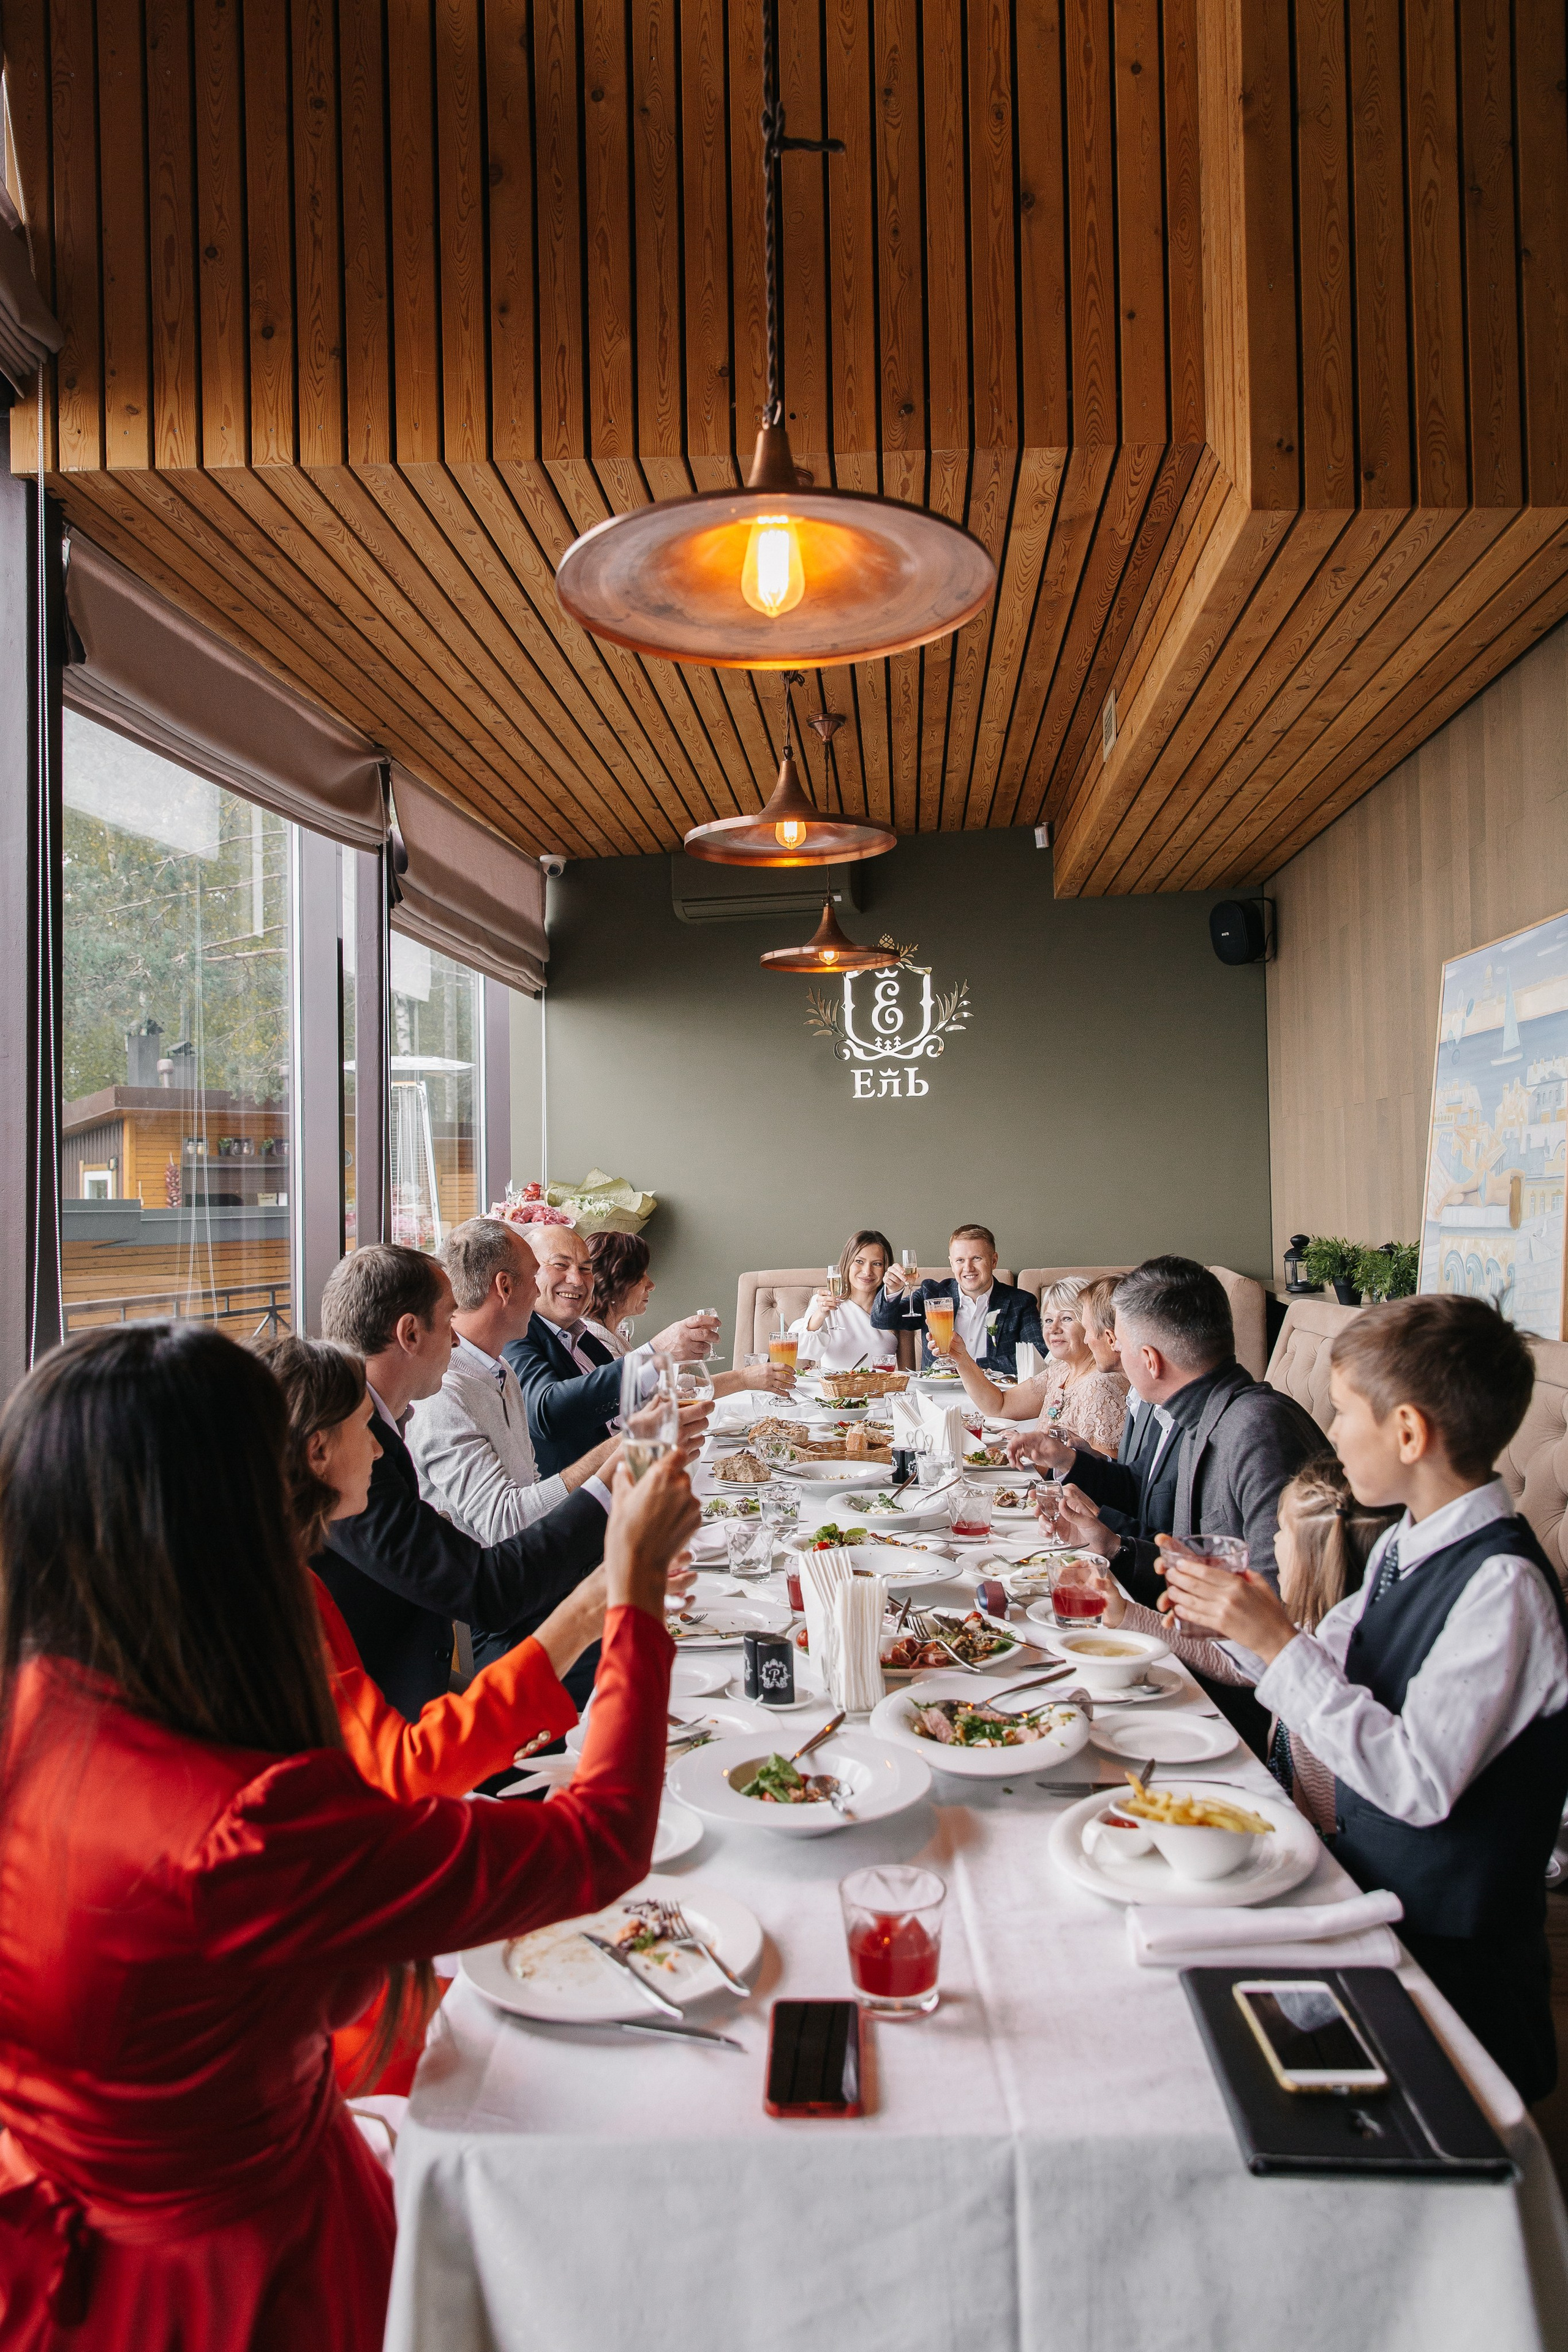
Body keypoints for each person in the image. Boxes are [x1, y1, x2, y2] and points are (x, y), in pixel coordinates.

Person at [0, 1321, 694, 2351]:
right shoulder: (242, 1825)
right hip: (240, 2279)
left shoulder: (45, 1706)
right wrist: (632, 1595)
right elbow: (602, 1841)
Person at [1160, 1295, 1568, 2105]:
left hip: (1448, 1966)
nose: (1333, 1432)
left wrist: (1275, 1642)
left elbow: (1416, 1782)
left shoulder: (1503, 1589)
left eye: (1345, 1414)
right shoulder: (1408, 1545)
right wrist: (1229, 1613)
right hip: (1365, 1899)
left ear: (1409, 1433)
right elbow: (1316, 1667)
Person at [1011, 1256, 1321, 1749]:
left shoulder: (1257, 1432)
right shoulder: (1203, 1412)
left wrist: (1134, 1611)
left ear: (1149, 1360)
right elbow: (1188, 1559)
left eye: (1124, 1344)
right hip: (1195, 1658)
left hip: (1246, 1712)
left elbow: (1278, 1625)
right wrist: (1115, 1547)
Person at [317, 1244, 612, 1719]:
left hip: (423, 1671)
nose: (457, 1340)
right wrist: (611, 1481)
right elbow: (486, 1590)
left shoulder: (381, 1426)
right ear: (411, 1333)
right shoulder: (349, 1453)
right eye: (450, 1318)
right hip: (384, 1718)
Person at [1091, 1455, 1399, 1831]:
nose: (1272, 1541)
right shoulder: (1303, 1628)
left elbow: (1329, 1803)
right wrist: (1126, 1614)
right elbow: (1228, 1661)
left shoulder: (1335, 1663)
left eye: (1282, 1531)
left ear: (1315, 1555)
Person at [408, 1219, 621, 1547]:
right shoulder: (443, 1390)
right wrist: (620, 1450)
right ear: (505, 1287)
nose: (538, 1290)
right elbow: (504, 1524)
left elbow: (529, 1484)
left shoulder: (501, 1368)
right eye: (535, 1276)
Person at [506, 1224, 721, 1477]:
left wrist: (658, 1452)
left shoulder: (583, 1338)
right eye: (561, 1265)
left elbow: (623, 1416)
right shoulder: (517, 1334)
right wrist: (658, 1351)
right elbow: (548, 1414)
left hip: (628, 1483)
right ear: (529, 1273)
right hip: (576, 1507)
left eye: (586, 1269)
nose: (577, 1279)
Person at [585, 1229, 796, 1399]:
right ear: (615, 1284)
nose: (652, 1285)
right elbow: (629, 1398)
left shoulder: (612, 1334)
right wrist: (743, 1379)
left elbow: (668, 1383)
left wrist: (745, 1379)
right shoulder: (592, 1341)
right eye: (641, 1276)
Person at [949, 1275, 1128, 1454]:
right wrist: (961, 1358)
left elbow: (1103, 1472)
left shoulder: (1101, 1385)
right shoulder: (1061, 1372)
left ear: (1090, 1324)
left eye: (1066, 1318)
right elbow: (999, 1407)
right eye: (1049, 1320)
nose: (1054, 1328)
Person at [871, 1223, 1044, 1375]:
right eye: (960, 1260)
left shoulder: (1020, 1303)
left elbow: (1038, 1355)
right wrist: (892, 1289)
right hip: (940, 1396)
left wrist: (969, 1366)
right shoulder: (932, 1294)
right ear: (952, 1264)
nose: (968, 1268)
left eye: (976, 1258)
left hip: (996, 1396)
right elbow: (882, 1321)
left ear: (994, 1261)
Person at [789, 1231, 900, 1372]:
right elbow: (801, 1349)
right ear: (847, 1263)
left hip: (880, 1392)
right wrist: (821, 1314)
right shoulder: (821, 1302)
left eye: (877, 1264)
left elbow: (907, 1374)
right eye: (859, 1262)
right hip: (834, 1392)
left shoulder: (894, 1309)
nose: (867, 1271)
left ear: (886, 1269)